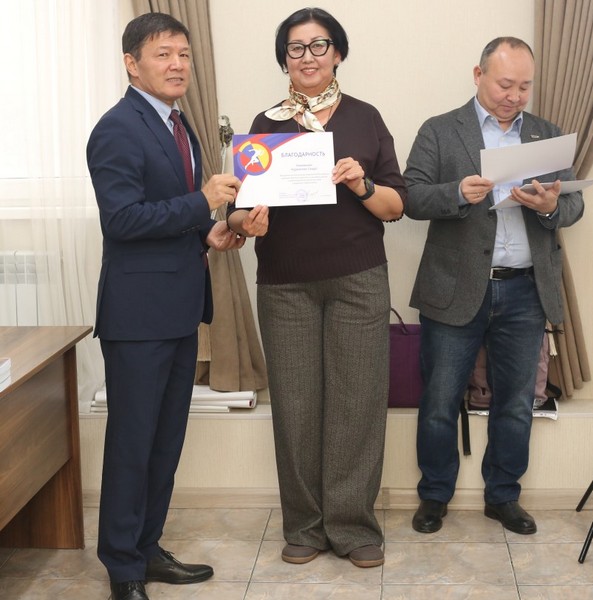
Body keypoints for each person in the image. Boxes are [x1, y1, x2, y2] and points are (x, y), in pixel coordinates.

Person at [86, 13, 260, 600]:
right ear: (132, 64)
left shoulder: (179, 124)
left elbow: (168, 213)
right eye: (163, 54)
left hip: (181, 308)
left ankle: (147, 548)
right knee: (132, 445)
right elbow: (122, 220)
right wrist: (202, 203)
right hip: (137, 318)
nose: (178, 64)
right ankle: (122, 568)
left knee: (164, 444)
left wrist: (209, 232)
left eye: (184, 54)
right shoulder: (117, 128)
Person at [227, 7, 406, 568]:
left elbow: (395, 206)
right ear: (284, 59)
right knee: (296, 407)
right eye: (296, 48)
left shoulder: (365, 118)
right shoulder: (265, 123)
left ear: (338, 53)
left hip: (358, 279)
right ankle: (305, 526)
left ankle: (353, 526)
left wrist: (361, 182)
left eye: (319, 45)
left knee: (357, 403)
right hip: (285, 284)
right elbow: (237, 213)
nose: (308, 57)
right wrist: (247, 222)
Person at [404, 37, 584, 536]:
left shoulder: (547, 136)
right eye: (506, 84)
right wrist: (457, 193)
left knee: (516, 402)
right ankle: (434, 495)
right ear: (478, 74)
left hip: (525, 290)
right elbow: (411, 196)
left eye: (524, 86)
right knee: (439, 400)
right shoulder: (440, 130)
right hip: (454, 286)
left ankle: (504, 495)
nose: (515, 96)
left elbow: (573, 205)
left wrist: (550, 206)